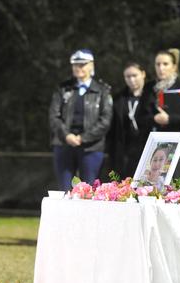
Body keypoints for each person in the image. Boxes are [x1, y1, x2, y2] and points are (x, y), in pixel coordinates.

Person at [49, 49, 113, 190]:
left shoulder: (102, 90)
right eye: (75, 64)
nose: (79, 68)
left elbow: (105, 121)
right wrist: (67, 136)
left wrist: (82, 138)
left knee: (89, 191)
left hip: (92, 147)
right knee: (65, 191)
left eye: (83, 64)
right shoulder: (63, 89)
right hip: (64, 144)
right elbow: (54, 117)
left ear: (91, 65)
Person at [107, 62, 153, 178]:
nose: (132, 80)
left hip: (147, 148)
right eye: (128, 76)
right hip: (125, 151)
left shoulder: (152, 96)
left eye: (135, 75)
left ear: (143, 74)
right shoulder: (118, 98)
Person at [149, 48, 180, 132]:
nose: (161, 68)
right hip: (154, 138)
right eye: (158, 64)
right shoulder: (149, 87)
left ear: (174, 67)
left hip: (178, 138)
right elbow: (141, 117)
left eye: (165, 64)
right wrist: (154, 118)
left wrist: (169, 119)